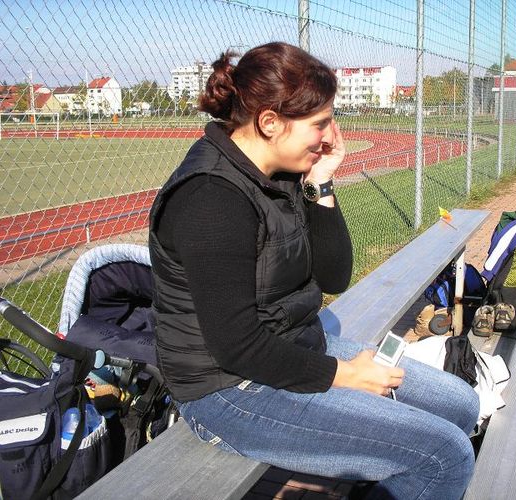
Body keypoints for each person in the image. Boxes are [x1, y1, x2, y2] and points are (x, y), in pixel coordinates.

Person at [148, 42, 479, 500]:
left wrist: (322, 181)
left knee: (461, 405)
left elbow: (333, 277)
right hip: (226, 391)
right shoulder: (211, 198)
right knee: (443, 456)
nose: (329, 137)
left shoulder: (280, 174)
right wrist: (345, 375)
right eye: (320, 123)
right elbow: (237, 347)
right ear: (270, 122)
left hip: (292, 346)